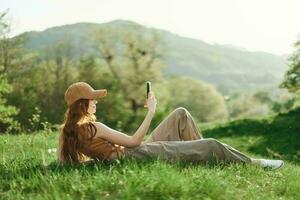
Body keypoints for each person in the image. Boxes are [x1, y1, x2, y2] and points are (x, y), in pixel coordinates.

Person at [57, 82, 284, 170]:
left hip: (133, 154)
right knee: (212, 144)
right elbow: (134, 142)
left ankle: (201, 155)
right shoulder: (94, 127)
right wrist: (151, 112)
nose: (96, 101)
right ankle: (255, 163)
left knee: (180, 115)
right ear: (83, 103)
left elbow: (63, 161)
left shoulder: (69, 131)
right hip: (136, 155)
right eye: (93, 99)